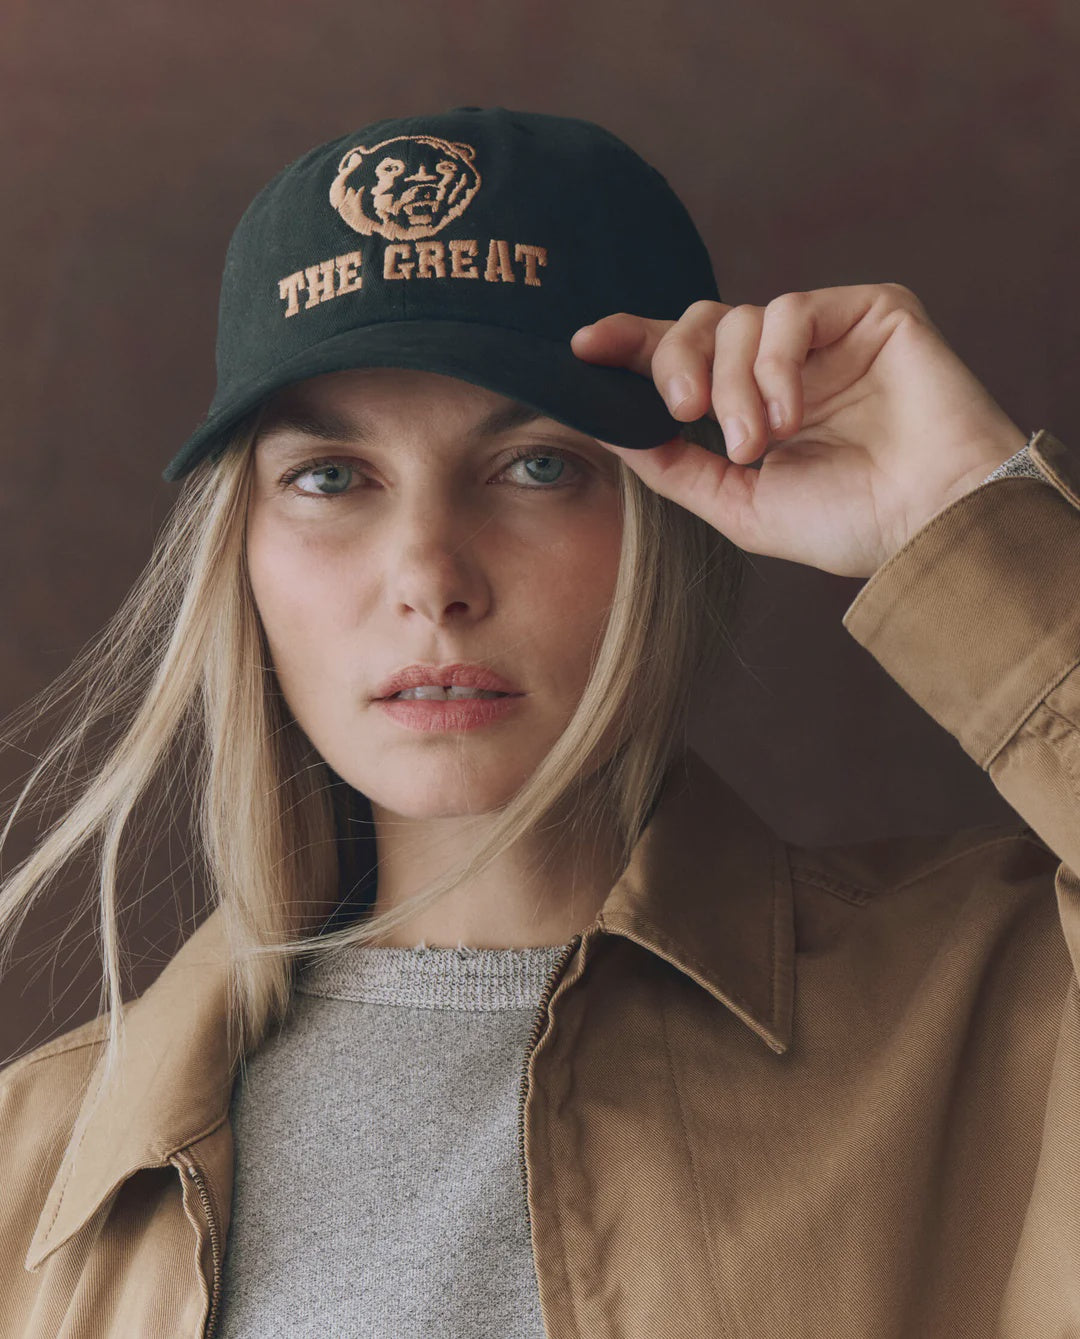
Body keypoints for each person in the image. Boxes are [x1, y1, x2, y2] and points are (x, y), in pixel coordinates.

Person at [0, 106, 1075, 1338]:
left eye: (538, 465)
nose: (431, 577)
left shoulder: (995, 1008)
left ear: (670, 514)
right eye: (330, 478)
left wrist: (966, 517)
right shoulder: (37, 1176)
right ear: (237, 552)